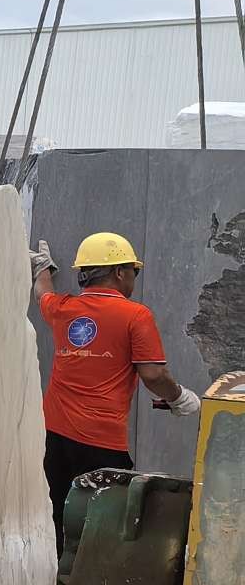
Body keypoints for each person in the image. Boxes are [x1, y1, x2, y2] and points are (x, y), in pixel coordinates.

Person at [33, 230, 201, 553]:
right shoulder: (135, 316)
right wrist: (178, 397)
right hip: (101, 441)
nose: (134, 277)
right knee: (107, 522)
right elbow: (153, 374)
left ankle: (56, 578)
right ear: (119, 272)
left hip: (53, 434)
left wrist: (42, 268)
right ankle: (92, 580)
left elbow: (43, 294)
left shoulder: (64, 309)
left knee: (58, 513)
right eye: (133, 270)